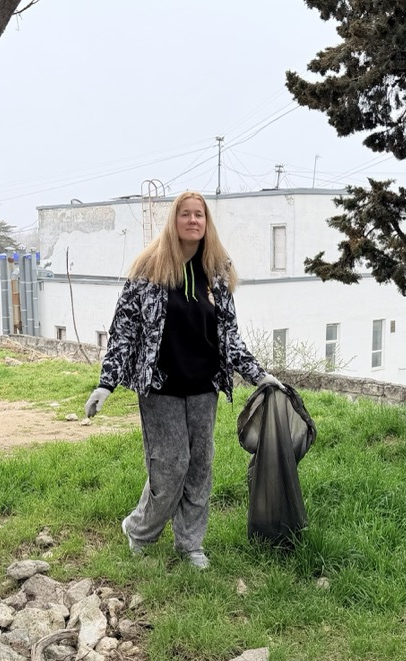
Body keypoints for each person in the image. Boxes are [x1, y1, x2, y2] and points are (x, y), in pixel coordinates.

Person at [84, 190, 282, 569]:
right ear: (173, 221)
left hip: (204, 386)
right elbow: (124, 331)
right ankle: (139, 530)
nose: (193, 220)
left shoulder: (217, 271)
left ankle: (190, 544)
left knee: (199, 467)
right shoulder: (148, 270)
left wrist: (259, 376)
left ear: (207, 223)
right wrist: (106, 383)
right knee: (171, 464)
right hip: (161, 387)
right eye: (185, 214)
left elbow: (229, 336)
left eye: (199, 215)